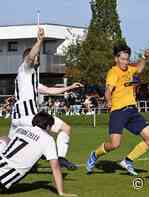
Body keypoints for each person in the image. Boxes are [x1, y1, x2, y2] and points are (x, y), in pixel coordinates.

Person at [9, 27, 83, 170]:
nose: (37, 59)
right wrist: (40, 40)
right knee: (43, 137)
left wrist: (69, 88)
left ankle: (55, 157)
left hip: (21, 118)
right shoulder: (24, 69)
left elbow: (49, 90)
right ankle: (52, 156)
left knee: (64, 128)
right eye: (37, 56)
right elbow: (30, 57)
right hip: (26, 117)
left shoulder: (31, 78)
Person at [86, 45, 149, 176]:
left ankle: (128, 161)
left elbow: (139, 69)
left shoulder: (130, 69)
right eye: (123, 59)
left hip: (132, 111)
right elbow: (108, 91)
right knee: (114, 144)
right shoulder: (113, 72)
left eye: (127, 59)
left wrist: (144, 57)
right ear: (116, 59)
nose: (125, 62)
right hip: (118, 111)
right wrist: (108, 101)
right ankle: (94, 155)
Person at [0, 111, 76, 196]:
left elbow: (7, 140)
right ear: (48, 126)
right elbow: (55, 168)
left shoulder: (20, 129)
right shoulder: (48, 140)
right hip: (3, 178)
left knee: (4, 139)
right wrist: (61, 192)